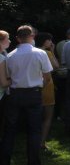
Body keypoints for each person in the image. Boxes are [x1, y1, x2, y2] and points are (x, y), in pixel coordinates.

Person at [0, 25, 53, 165]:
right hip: (33, 93)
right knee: (34, 130)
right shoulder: (40, 53)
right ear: (32, 36)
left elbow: (7, 77)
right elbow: (47, 77)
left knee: (9, 130)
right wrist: (40, 85)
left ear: (17, 38)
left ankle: (4, 160)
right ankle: (34, 161)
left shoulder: (10, 56)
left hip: (14, 94)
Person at [35, 33, 59, 154]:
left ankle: (34, 140)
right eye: (50, 40)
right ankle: (41, 142)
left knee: (35, 116)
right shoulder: (47, 53)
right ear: (45, 41)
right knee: (47, 116)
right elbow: (56, 66)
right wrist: (53, 51)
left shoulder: (33, 52)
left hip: (34, 85)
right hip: (46, 85)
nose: (51, 43)